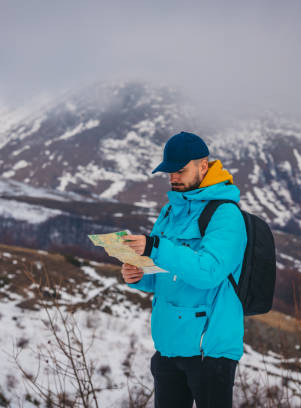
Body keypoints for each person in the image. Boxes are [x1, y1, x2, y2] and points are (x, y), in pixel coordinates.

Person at [121, 131, 247, 408]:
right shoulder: (170, 211)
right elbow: (163, 274)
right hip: (168, 346)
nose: (173, 178)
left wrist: (154, 247)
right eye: (169, 172)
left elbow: (208, 272)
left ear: (204, 166)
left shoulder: (225, 214)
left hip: (209, 352)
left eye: (180, 170)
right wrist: (140, 276)